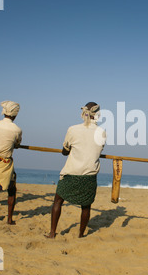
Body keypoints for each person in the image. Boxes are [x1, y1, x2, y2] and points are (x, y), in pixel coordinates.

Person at [45, 102, 106, 238]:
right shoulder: (102, 132)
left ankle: (52, 233)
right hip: (89, 175)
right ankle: (80, 234)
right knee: (86, 206)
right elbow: (98, 150)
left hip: (71, 173)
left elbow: (64, 151)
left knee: (58, 201)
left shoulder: (73, 129)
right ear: (97, 116)